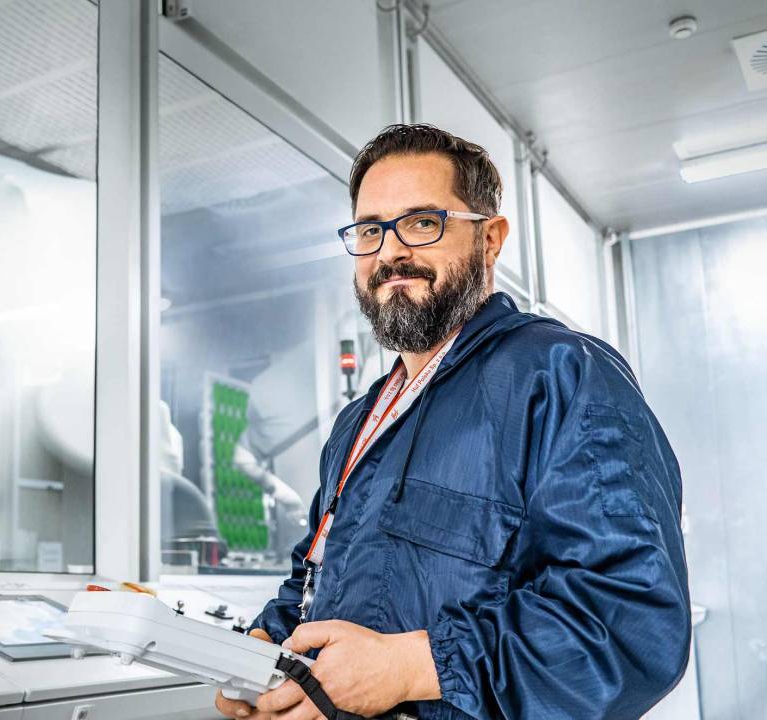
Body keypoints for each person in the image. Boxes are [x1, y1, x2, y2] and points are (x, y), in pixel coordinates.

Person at [215, 124, 690, 720]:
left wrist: (412, 667)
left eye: (421, 223)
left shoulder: (561, 376)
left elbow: (629, 624)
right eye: (370, 230)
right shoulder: (358, 423)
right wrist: (259, 648)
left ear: (489, 240)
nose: (389, 252)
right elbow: (315, 578)